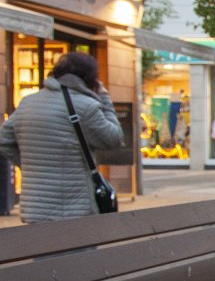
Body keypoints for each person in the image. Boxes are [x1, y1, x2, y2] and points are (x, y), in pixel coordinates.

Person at [0, 52, 123, 226]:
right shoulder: (86, 106)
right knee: (79, 252)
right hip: (75, 207)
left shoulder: (28, 102)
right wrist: (105, 99)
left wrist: (30, 165)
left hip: (36, 207)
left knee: (43, 251)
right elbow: (113, 138)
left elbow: (3, 140)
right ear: (90, 78)